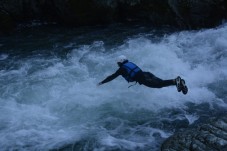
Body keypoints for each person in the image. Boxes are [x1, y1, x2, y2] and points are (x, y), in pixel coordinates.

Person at [97, 55, 188, 95]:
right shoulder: (129, 63)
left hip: (144, 79)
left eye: (118, 63)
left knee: (159, 85)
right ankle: (176, 82)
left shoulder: (122, 69)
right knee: (162, 83)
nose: (118, 65)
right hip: (147, 74)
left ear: (120, 62)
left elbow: (111, 77)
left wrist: (102, 82)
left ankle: (176, 81)